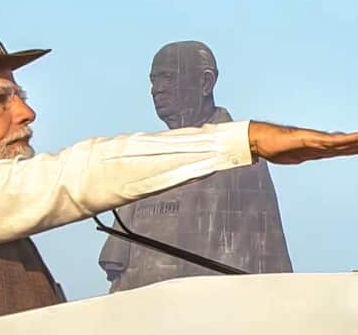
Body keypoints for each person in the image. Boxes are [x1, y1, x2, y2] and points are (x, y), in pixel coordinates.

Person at [0, 16, 358, 335]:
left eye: (20, 95)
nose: (25, 113)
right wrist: (244, 139)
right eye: (0, 98)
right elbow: (75, 176)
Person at [99, 41, 292, 292]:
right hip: (142, 313)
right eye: (153, 81)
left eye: (167, 78)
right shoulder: (145, 159)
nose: (156, 90)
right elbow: (117, 262)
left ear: (205, 83)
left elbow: (269, 259)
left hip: (212, 311)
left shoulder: (240, 157)